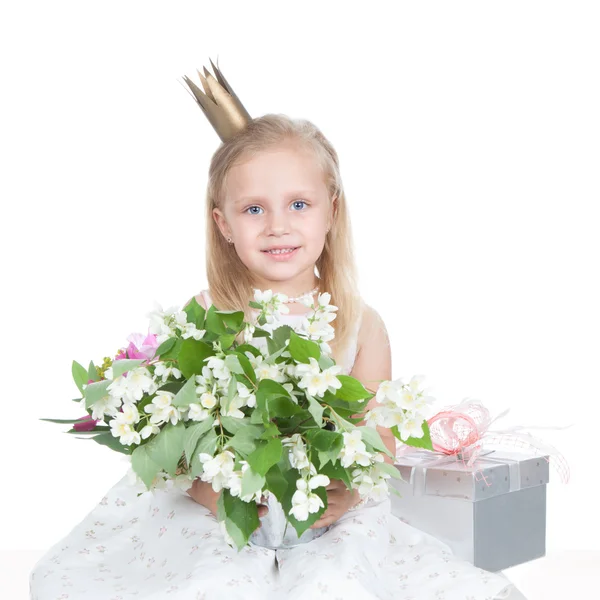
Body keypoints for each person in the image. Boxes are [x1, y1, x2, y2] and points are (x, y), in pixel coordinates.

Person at [29, 61, 529, 599]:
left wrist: (349, 495)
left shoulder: (360, 323)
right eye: (252, 209)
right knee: (207, 582)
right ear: (223, 223)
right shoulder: (206, 314)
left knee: (339, 582)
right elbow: (172, 428)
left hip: (323, 508)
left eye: (298, 204)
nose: (278, 226)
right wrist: (207, 491)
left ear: (331, 210)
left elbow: (378, 436)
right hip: (223, 504)